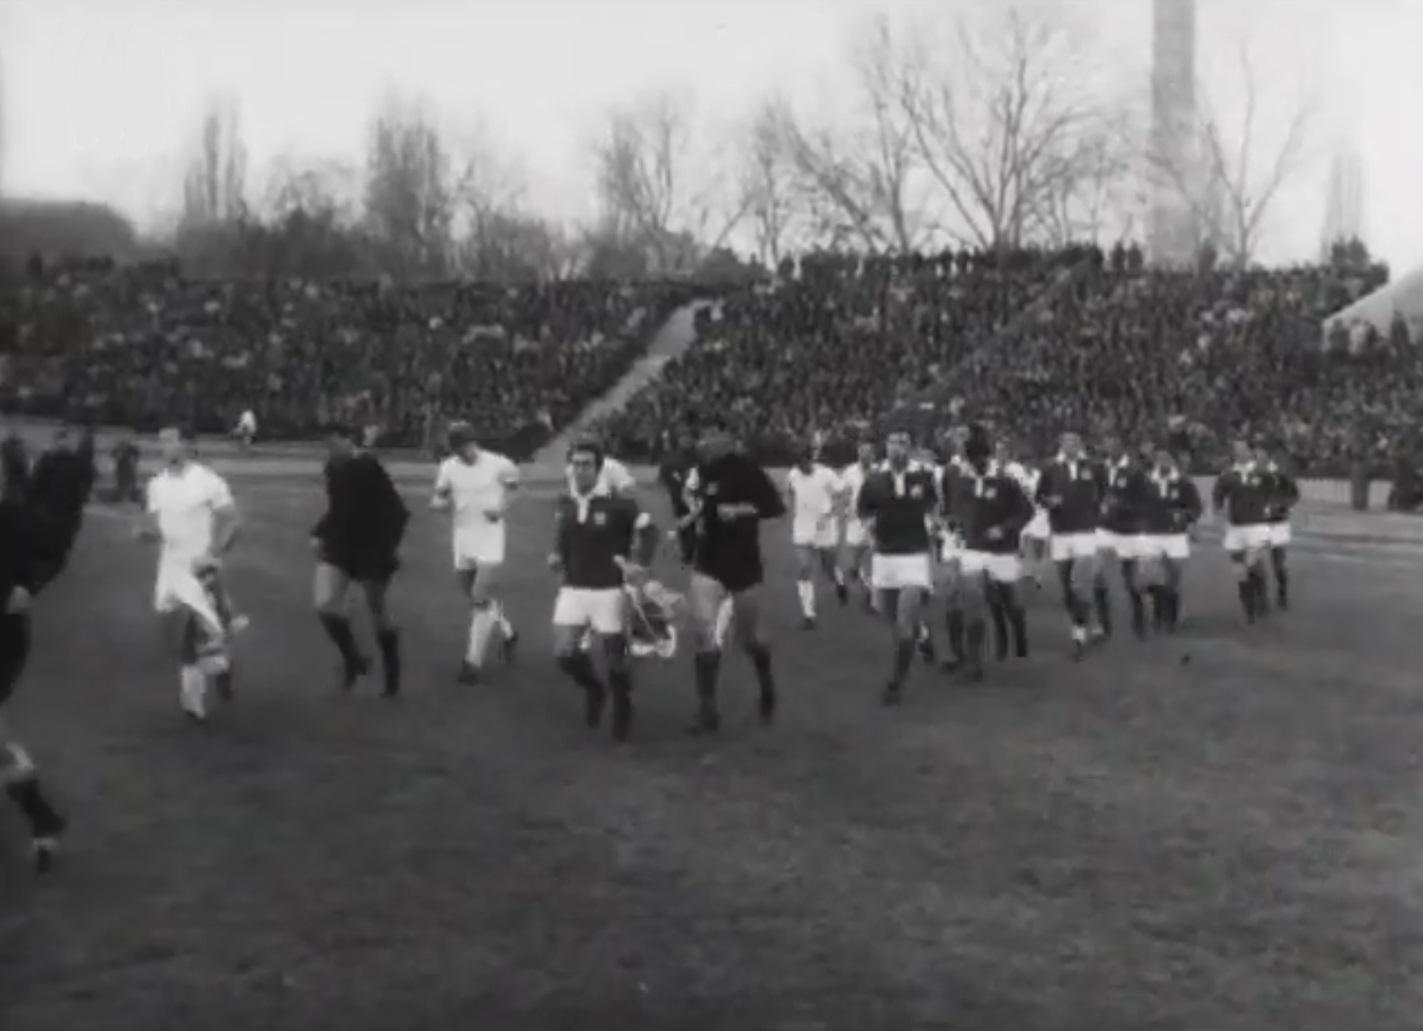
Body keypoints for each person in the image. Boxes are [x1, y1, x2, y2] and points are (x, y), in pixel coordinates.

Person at [549, 442, 660, 741]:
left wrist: (640, 565)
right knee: (564, 654)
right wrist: (556, 554)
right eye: (576, 464)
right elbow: (563, 535)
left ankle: (622, 713)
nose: (580, 469)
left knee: (616, 662)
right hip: (573, 588)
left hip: (610, 590)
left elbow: (650, 531)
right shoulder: (567, 503)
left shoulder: (620, 505)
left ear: (598, 469)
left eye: (587, 464)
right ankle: (594, 690)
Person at [683, 418, 785, 734]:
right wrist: (694, 516)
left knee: (748, 639)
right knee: (704, 635)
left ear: (727, 438)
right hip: (708, 562)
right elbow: (698, 500)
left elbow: (775, 508)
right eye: (703, 436)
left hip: (743, 564)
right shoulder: (701, 470)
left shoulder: (747, 470)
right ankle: (707, 711)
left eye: (712, 435)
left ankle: (767, 686)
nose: (704, 442)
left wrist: (740, 510)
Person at [138, 426, 242, 721]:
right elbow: (162, 526)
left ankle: (192, 702)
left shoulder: (208, 481)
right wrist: (146, 534)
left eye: (170, 441)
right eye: (161, 441)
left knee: (189, 633)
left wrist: (213, 555)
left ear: (187, 444)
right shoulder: (156, 484)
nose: (164, 447)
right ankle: (222, 665)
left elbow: (232, 521)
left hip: (199, 568)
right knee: (172, 635)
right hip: (169, 567)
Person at [0, 441, 67, 871]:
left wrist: (30, 587)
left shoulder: (16, 516)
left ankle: (42, 816)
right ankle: (42, 818)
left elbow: (55, 552)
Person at [312, 424, 409, 696]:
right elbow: (338, 508)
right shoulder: (333, 468)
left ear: (348, 441)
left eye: (333, 444)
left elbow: (398, 511)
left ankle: (392, 677)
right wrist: (320, 533)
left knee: (377, 607)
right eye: (326, 446)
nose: (330, 451)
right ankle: (354, 659)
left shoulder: (368, 468)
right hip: (342, 545)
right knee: (324, 604)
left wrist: (387, 547)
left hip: (372, 547)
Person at [431, 421, 521, 684]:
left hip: (490, 536)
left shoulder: (499, 463)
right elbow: (440, 496)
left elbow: (514, 491)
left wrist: (501, 510)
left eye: (466, 446)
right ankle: (508, 633)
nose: (464, 452)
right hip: (463, 535)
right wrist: (439, 503)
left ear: (474, 442)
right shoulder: (448, 467)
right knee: (474, 597)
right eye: (458, 448)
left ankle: (472, 662)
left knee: (480, 594)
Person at [857, 428, 939, 705]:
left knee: (903, 623)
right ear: (886, 447)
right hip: (884, 558)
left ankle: (896, 683)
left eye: (903, 443)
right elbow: (863, 509)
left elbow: (934, 507)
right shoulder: (874, 480)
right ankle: (922, 634)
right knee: (891, 618)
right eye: (893, 443)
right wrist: (868, 523)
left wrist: (934, 523)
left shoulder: (923, 478)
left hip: (914, 557)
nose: (897, 448)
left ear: (910, 448)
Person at [945, 424, 1034, 678]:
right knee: (970, 601)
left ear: (987, 459)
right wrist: (954, 523)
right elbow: (955, 507)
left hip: (1003, 551)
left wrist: (1005, 528)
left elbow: (1026, 512)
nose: (974, 466)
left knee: (1012, 601)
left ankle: (1018, 629)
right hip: (973, 549)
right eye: (971, 463)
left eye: (978, 462)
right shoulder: (961, 479)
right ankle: (972, 661)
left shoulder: (1006, 481)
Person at [1035, 431, 1109, 660]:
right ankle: (1085, 623)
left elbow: (1104, 492)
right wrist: (1050, 502)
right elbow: (1039, 496)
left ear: (1081, 445)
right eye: (1067, 443)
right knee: (1067, 587)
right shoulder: (1050, 468)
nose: (1071, 447)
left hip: (1085, 532)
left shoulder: (1094, 467)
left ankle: (1078, 634)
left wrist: (1097, 513)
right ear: (1060, 445)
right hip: (1060, 533)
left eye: (1075, 443)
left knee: (1080, 583)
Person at [1137, 448, 1202, 632]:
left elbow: (1195, 507)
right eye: (1160, 458)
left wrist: (1185, 516)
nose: (1163, 462)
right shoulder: (1146, 482)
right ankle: (1159, 615)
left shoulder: (1183, 483)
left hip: (1176, 536)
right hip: (1151, 534)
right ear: (1155, 460)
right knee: (1154, 578)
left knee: (1173, 577)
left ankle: (1172, 616)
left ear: (1173, 461)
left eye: (1167, 458)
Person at [1097, 437, 1154, 639]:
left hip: (1128, 531)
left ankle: (1139, 620)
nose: (1109, 449)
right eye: (1107, 445)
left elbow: (1146, 504)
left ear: (1122, 448)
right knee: (1098, 575)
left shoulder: (1135, 472)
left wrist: (1120, 506)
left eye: (1114, 445)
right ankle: (1103, 624)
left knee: (1131, 581)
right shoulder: (1099, 469)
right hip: (1104, 529)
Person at [1212, 440, 1273, 624]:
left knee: (1253, 562)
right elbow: (1218, 495)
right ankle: (1249, 606)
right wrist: (1219, 509)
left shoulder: (1262, 473)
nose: (1241, 453)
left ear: (1249, 451)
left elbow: (1273, 491)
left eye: (1244, 449)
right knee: (1239, 570)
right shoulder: (1228, 475)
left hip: (1257, 525)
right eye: (1237, 451)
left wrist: (1270, 507)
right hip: (1236, 526)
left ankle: (1261, 595)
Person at [785, 446, 843, 628]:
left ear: (810, 459)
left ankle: (839, 582)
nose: (800, 467)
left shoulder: (826, 474)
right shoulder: (793, 474)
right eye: (797, 463)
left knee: (829, 568)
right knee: (805, 567)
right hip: (803, 527)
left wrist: (831, 512)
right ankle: (808, 615)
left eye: (803, 462)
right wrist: (791, 507)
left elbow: (842, 494)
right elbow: (790, 492)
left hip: (824, 527)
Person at [30, 425, 91, 591]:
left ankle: (39, 577)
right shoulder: (65, 461)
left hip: (55, 512)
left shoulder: (51, 460)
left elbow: (35, 485)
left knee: (52, 549)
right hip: (60, 512)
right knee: (57, 549)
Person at [1256, 442, 1300, 611]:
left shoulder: (1280, 477)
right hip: (1257, 524)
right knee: (1255, 562)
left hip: (1277, 522)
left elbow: (1294, 496)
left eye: (1262, 456)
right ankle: (1261, 598)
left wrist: (1281, 505)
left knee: (1278, 564)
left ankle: (1282, 591)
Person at [837, 441, 878, 611]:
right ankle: (854, 571)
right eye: (862, 452)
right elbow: (845, 493)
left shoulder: (879, 471)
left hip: (875, 519)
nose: (865, 456)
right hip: (855, 518)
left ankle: (872, 597)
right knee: (857, 554)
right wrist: (845, 511)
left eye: (868, 453)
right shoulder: (850, 472)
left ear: (873, 455)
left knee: (873, 557)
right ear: (858, 454)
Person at [657, 430, 699, 566]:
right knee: (683, 523)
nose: (687, 441)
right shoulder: (672, 457)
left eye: (689, 438)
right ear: (680, 440)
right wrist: (670, 488)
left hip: (695, 495)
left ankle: (692, 549)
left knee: (694, 522)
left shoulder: (699, 456)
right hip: (678, 495)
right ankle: (688, 551)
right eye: (684, 438)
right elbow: (664, 475)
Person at [111, 433, 143, 504]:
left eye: (125, 442)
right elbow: (113, 455)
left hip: (129, 468)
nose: (124, 444)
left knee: (131, 483)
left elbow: (137, 454)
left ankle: (131, 497)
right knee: (122, 483)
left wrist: (135, 460)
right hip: (122, 469)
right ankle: (119, 497)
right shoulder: (119, 449)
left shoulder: (130, 448)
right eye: (123, 442)